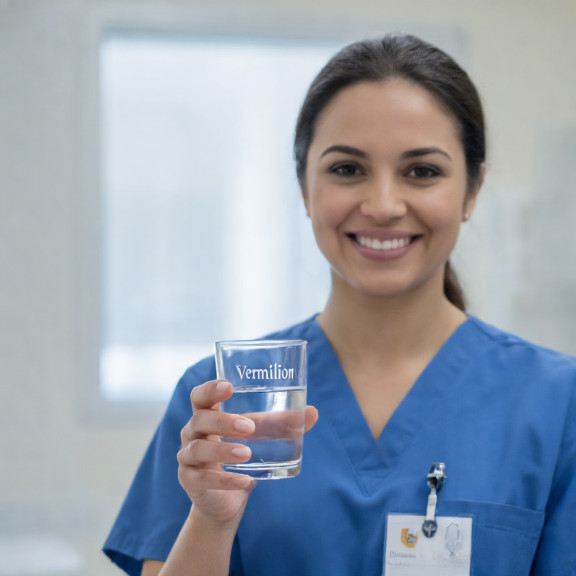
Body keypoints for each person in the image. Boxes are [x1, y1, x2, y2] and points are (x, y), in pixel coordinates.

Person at [103, 33, 576, 576]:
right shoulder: (222, 402)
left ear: (472, 191)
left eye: (422, 171)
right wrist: (211, 520)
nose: (382, 205)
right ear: (304, 188)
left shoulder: (557, 404)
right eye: (347, 169)